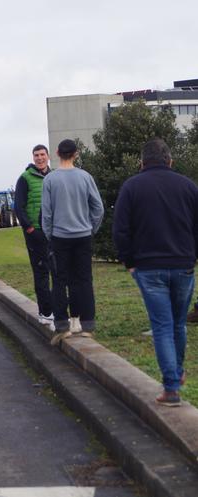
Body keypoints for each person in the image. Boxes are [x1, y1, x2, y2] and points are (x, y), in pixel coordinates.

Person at [113, 138, 198, 407]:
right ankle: (177, 373)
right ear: (170, 160)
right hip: (183, 264)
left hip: (148, 267)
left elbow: (120, 229)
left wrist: (129, 262)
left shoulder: (132, 187)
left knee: (161, 326)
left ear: (142, 162)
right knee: (178, 323)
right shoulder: (188, 186)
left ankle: (171, 387)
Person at [41, 139, 104, 343]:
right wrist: (91, 228)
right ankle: (87, 325)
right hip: (83, 236)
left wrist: (49, 234)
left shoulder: (50, 180)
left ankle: (62, 325)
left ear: (57, 153)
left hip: (59, 237)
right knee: (84, 280)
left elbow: (47, 213)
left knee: (59, 281)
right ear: (76, 154)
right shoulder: (85, 177)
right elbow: (98, 208)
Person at [14, 144, 55, 330]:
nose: (39, 158)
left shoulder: (54, 176)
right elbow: (18, 206)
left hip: (54, 232)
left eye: (42, 155)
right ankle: (45, 312)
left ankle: (57, 309)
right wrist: (29, 228)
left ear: (48, 156)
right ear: (33, 157)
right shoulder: (25, 178)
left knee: (57, 272)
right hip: (35, 232)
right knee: (41, 273)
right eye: (36, 155)